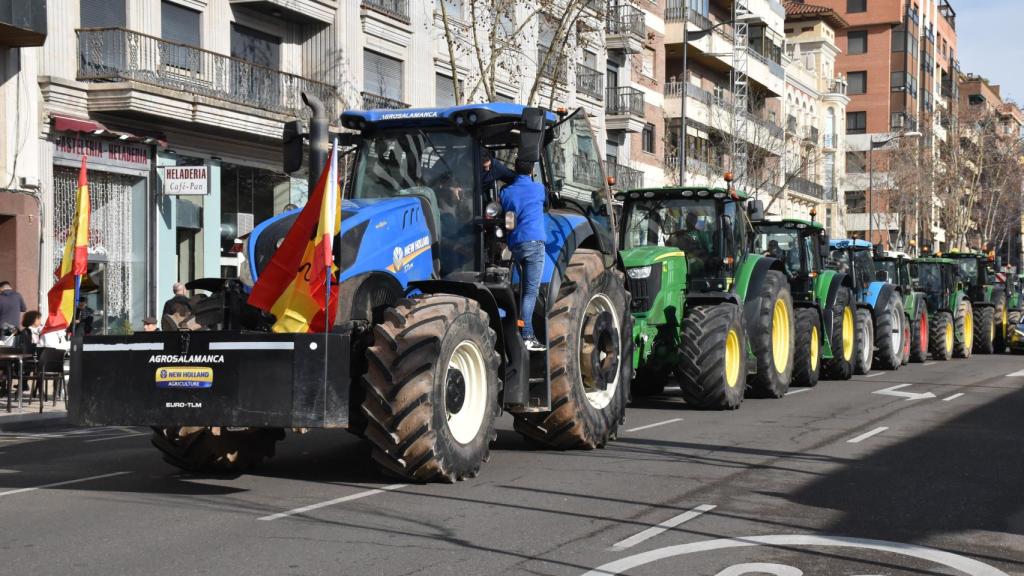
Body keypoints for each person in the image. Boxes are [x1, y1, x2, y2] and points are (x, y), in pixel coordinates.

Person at [501, 159, 547, 351]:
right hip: (534, 243)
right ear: (531, 172)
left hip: (516, 244)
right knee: (530, 292)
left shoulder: (505, 192)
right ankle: (527, 335)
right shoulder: (538, 189)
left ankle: (517, 328)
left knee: (520, 289)